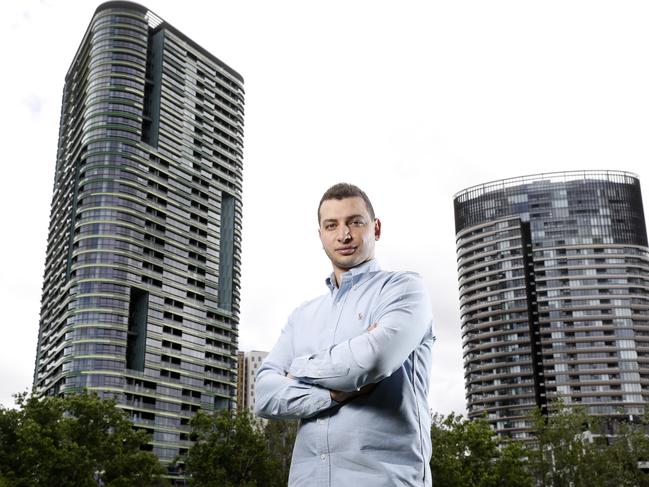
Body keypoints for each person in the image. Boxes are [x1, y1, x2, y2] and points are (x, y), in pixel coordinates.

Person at [255, 183, 434, 486]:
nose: (344, 235)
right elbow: (264, 395)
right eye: (332, 225)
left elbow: (372, 362)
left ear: (375, 228)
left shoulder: (404, 290)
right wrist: (333, 393)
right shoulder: (302, 316)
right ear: (321, 235)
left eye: (355, 221)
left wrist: (296, 369)